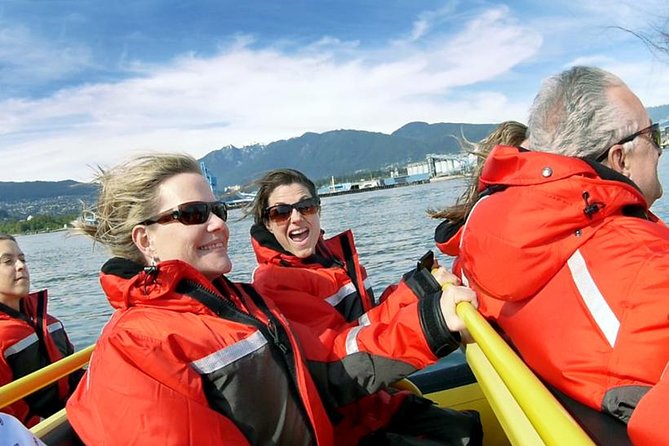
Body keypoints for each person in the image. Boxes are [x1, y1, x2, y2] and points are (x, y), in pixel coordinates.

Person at [66, 153, 477, 446]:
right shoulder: (136, 345)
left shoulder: (238, 303)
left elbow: (326, 363)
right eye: (193, 214)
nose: (216, 223)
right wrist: (429, 321)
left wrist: (429, 312)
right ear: (145, 240)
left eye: (218, 209)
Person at [433, 66, 668, 443]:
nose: (659, 148)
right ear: (619, 158)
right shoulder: (646, 270)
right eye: (652, 134)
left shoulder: (486, 244)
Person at [248, 168, 483, 445]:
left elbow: (365, 323)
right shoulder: (275, 283)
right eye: (281, 212)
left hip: (374, 404)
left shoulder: (330, 262)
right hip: (347, 425)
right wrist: (434, 323)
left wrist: (421, 286)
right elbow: (341, 358)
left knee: (468, 428)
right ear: (267, 223)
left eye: (305, 207)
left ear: (318, 210)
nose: (296, 217)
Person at [0, 233, 81, 428]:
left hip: (76, 419)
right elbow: (8, 416)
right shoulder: (3, 339)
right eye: (8, 261)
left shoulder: (49, 323)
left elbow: (76, 374)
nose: (21, 266)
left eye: (22, 259)